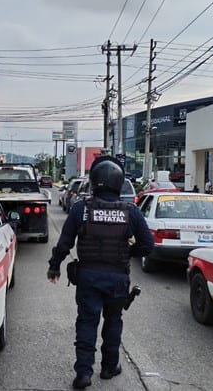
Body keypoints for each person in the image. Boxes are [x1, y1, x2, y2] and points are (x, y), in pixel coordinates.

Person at [47, 156, 153, 390]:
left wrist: (54, 266)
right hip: (117, 278)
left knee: (87, 323)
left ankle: (83, 374)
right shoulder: (131, 211)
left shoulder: (81, 209)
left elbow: (64, 243)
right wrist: (126, 252)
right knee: (113, 321)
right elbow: (148, 245)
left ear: (94, 182)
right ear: (119, 183)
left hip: (88, 277)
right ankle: (108, 367)